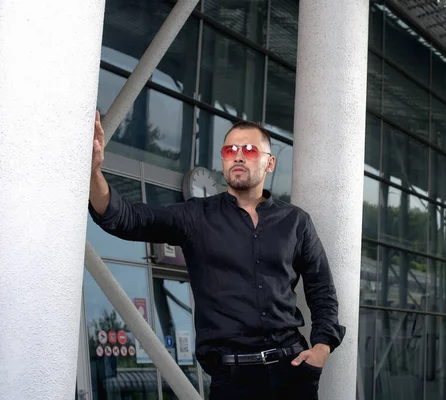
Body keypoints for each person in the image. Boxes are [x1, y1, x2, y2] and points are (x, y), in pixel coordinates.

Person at [88, 111, 345, 399]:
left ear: (269, 163)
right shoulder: (196, 216)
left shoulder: (296, 222)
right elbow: (127, 218)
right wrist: (94, 173)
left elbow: (322, 290)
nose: (238, 156)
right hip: (232, 381)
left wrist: (322, 347)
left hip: (292, 374)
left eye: (248, 149)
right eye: (229, 150)